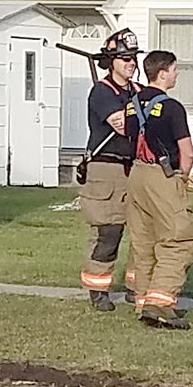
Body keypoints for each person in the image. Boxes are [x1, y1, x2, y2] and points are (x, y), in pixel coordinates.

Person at [125, 50, 193, 331]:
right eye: (175, 69)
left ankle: (144, 301)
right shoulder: (172, 107)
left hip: (136, 175)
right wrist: (182, 179)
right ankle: (162, 302)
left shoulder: (131, 104)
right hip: (162, 175)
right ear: (163, 73)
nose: (177, 74)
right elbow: (187, 152)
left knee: (144, 243)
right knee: (178, 239)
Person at [77, 28, 141, 311]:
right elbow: (124, 126)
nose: (131, 63)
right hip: (107, 168)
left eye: (133, 58)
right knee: (109, 231)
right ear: (111, 60)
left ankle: (136, 285)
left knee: (142, 230)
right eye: (125, 58)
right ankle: (97, 288)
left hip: (137, 168)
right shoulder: (101, 92)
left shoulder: (139, 91)